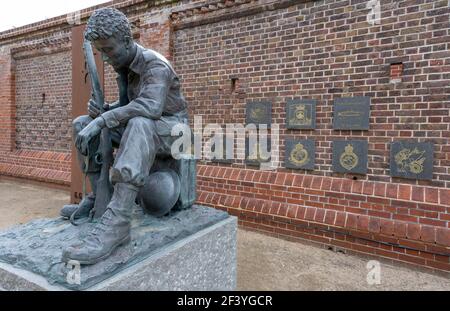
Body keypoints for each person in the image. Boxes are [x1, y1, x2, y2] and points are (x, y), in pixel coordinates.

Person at [61, 7, 189, 265]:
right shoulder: (125, 67)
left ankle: (117, 222)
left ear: (128, 41)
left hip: (175, 133)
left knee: (140, 123)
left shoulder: (154, 65)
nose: (105, 59)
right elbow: (126, 107)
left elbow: (150, 107)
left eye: (108, 50)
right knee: (81, 123)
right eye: (101, 52)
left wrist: (105, 119)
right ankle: (99, 199)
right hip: (147, 125)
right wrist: (104, 111)